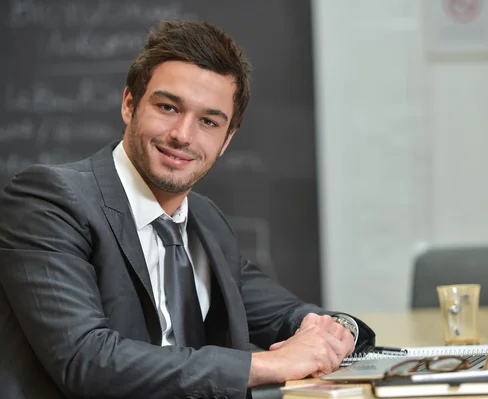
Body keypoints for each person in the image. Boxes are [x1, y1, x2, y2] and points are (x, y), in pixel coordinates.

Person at [0, 20, 376, 399]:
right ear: (130, 104)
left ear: (227, 140)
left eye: (208, 121)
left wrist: (335, 331)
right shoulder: (49, 200)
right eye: (168, 107)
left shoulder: (205, 221)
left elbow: (285, 315)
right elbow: (87, 361)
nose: (183, 134)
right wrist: (263, 365)